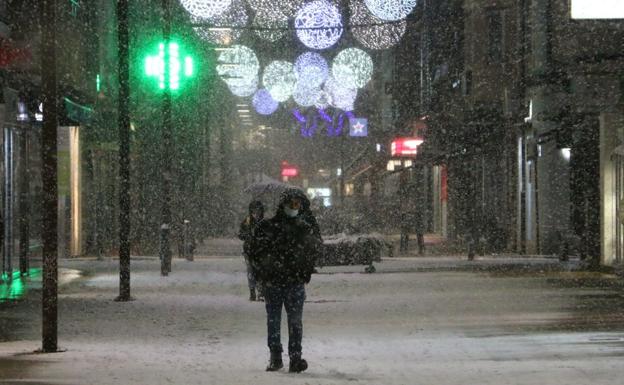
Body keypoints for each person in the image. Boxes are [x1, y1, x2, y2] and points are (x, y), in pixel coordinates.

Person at [249, 189, 322, 373]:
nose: (294, 207)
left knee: (285, 320)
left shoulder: (278, 227)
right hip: (282, 282)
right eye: (292, 204)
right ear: (284, 205)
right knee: (285, 320)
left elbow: (312, 251)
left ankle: (287, 357)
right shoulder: (291, 228)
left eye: (297, 204)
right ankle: (283, 356)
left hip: (286, 281)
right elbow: (256, 253)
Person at [238, 200, 265, 301]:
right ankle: (253, 291)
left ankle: (261, 291)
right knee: (251, 271)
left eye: (258, 210)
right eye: (254, 211)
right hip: (249, 251)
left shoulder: (265, 222)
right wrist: (248, 236)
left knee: (261, 271)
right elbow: (240, 234)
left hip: (261, 251)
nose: (256, 213)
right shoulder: (247, 221)